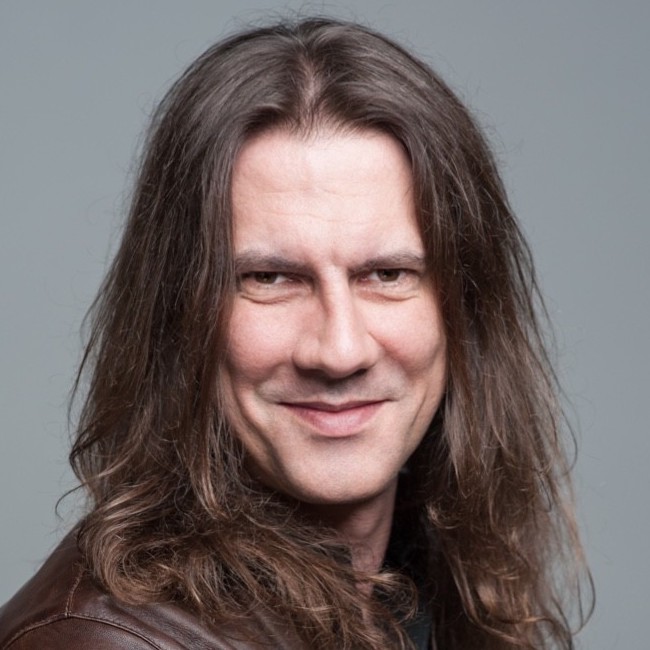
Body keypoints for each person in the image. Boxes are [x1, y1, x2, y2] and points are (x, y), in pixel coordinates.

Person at [0, 17, 591, 650]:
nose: (340, 350)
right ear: (178, 315)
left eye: (387, 274)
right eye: (270, 278)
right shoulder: (106, 640)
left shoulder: (426, 592)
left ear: (464, 308)